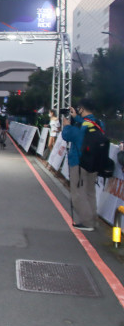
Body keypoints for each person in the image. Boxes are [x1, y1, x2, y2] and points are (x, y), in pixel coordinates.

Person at [61, 99, 102, 231]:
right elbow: (86, 125)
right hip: (94, 163)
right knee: (90, 193)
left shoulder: (80, 126)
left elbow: (67, 135)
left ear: (82, 109)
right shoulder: (98, 123)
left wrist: (67, 125)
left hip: (79, 163)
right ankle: (93, 221)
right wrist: (76, 118)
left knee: (78, 194)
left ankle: (87, 223)